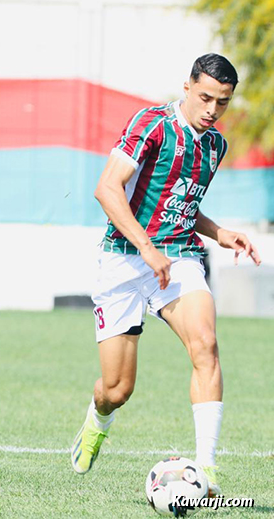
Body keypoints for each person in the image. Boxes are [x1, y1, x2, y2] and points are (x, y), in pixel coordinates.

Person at [71, 54, 261, 497]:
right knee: (116, 390)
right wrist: (145, 247)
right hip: (123, 258)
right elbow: (106, 188)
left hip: (178, 258)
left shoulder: (215, 145)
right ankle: (97, 422)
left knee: (206, 345)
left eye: (223, 102)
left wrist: (218, 233)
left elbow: (182, 206)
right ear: (187, 87)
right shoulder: (152, 124)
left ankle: (207, 470)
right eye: (206, 97)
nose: (213, 109)